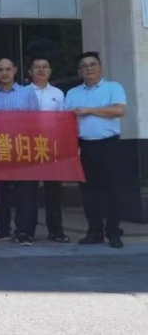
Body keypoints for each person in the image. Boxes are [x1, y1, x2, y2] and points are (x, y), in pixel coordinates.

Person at [64, 51, 127, 249]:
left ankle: (114, 232)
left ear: (100, 68)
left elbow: (119, 110)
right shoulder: (73, 93)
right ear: (79, 72)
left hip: (109, 145)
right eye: (84, 66)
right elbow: (66, 121)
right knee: (88, 192)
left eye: (93, 64)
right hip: (84, 147)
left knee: (112, 190)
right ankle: (94, 232)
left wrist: (89, 110)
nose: (89, 68)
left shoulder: (113, 87)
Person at [0, 58, 40, 246]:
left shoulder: (27, 93)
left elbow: (36, 120)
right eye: (0, 70)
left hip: (23, 149)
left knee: (26, 193)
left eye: (8, 69)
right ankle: (3, 229)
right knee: (0, 193)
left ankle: (25, 231)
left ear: (15, 70)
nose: (4, 73)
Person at [27, 57, 70, 243]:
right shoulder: (23, 92)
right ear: (30, 72)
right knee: (29, 191)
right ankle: (27, 231)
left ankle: (56, 231)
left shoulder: (58, 94)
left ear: (50, 71)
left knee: (53, 191)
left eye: (45, 67)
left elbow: (64, 121)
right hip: (29, 147)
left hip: (52, 147)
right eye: (37, 67)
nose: (41, 70)